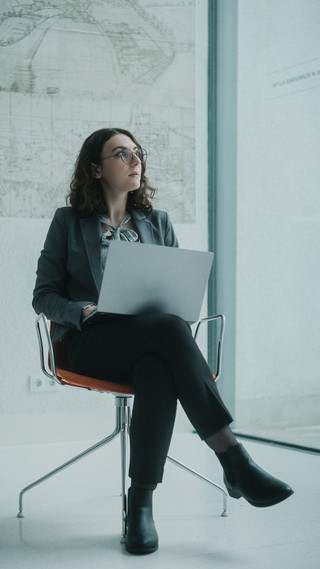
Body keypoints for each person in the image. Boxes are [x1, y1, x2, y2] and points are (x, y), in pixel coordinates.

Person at [33, 127, 293, 555]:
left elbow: (178, 296)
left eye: (138, 152)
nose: (135, 160)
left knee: (158, 362)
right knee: (168, 332)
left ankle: (140, 506)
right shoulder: (68, 222)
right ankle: (233, 458)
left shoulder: (157, 223)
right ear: (96, 168)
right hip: (88, 344)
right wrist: (82, 311)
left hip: (148, 341)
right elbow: (43, 295)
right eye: (121, 154)